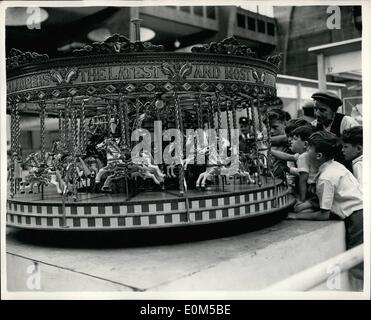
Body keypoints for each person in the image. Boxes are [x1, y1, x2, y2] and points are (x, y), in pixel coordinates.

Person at [290, 131, 363, 288]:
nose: (305, 151)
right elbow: (325, 199)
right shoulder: (334, 166)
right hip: (360, 213)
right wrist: (305, 206)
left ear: (318, 156)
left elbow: (324, 214)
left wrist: (296, 217)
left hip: (358, 219)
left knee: (358, 266)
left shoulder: (326, 178)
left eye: (309, 148)